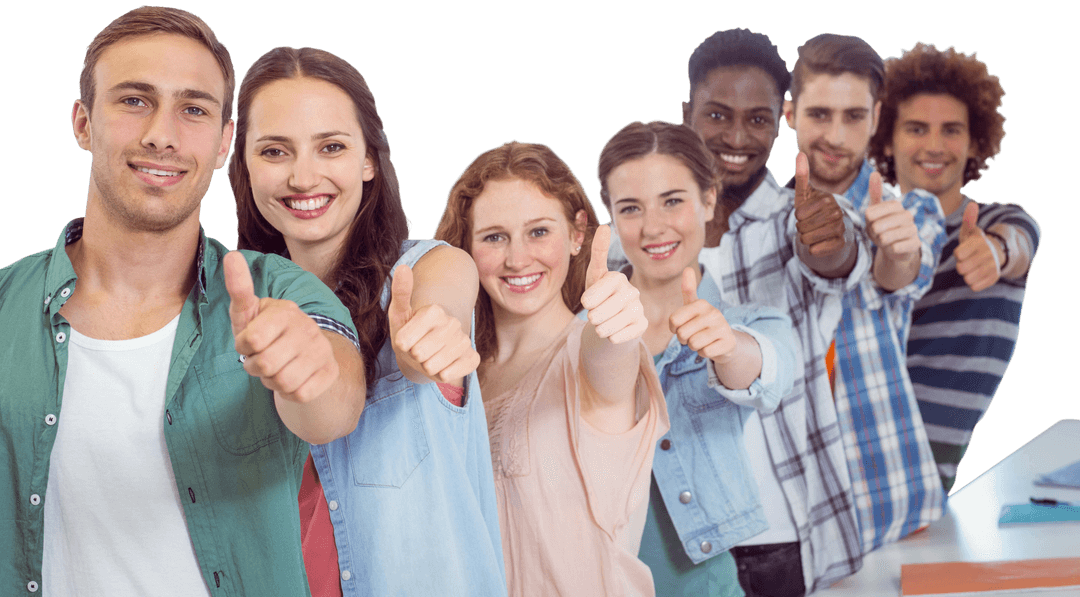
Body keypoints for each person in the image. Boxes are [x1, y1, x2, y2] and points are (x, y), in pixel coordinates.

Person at [0, 8, 366, 596]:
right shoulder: (3, 309)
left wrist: (311, 372)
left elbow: (334, 404)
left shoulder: (278, 289)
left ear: (224, 143)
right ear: (83, 123)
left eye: (193, 109)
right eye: (134, 101)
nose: (162, 136)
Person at [228, 46, 506, 596]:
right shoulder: (238, 314)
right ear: (246, 166)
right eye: (275, 151)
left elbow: (440, 307)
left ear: (368, 160)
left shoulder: (429, 267)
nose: (303, 176)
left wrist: (426, 343)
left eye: (331, 147)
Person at [605, 28, 873, 596]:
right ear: (688, 113)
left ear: (781, 121)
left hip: (783, 525)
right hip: (667, 534)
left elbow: (835, 261)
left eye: (758, 119)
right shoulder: (623, 253)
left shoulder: (802, 216)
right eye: (718, 114)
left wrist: (831, 245)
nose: (736, 136)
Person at [434, 141, 668, 596]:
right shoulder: (461, 376)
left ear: (578, 233)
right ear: (466, 249)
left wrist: (613, 324)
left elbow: (609, 361)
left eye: (539, 232)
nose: (518, 259)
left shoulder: (588, 348)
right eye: (494, 237)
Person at [597, 119, 797, 596]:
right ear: (611, 218)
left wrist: (728, 346)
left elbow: (768, 369)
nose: (652, 227)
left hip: (703, 586)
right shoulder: (580, 327)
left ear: (709, 200)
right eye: (631, 208)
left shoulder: (751, 322)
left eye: (673, 201)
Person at [784, 33, 947, 553]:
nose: (835, 135)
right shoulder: (758, 226)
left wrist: (897, 251)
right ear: (790, 113)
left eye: (854, 116)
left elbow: (898, 272)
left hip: (894, 508)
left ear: (876, 118)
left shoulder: (912, 212)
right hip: (800, 530)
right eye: (819, 114)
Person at [868, 42, 1040, 493]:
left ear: (973, 142)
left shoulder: (998, 222)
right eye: (917, 128)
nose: (934, 145)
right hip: (846, 449)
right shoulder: (866, 233)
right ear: (888, 137)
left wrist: (995, 254)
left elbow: (1019, 245)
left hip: (922, 464)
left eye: (951, 130)